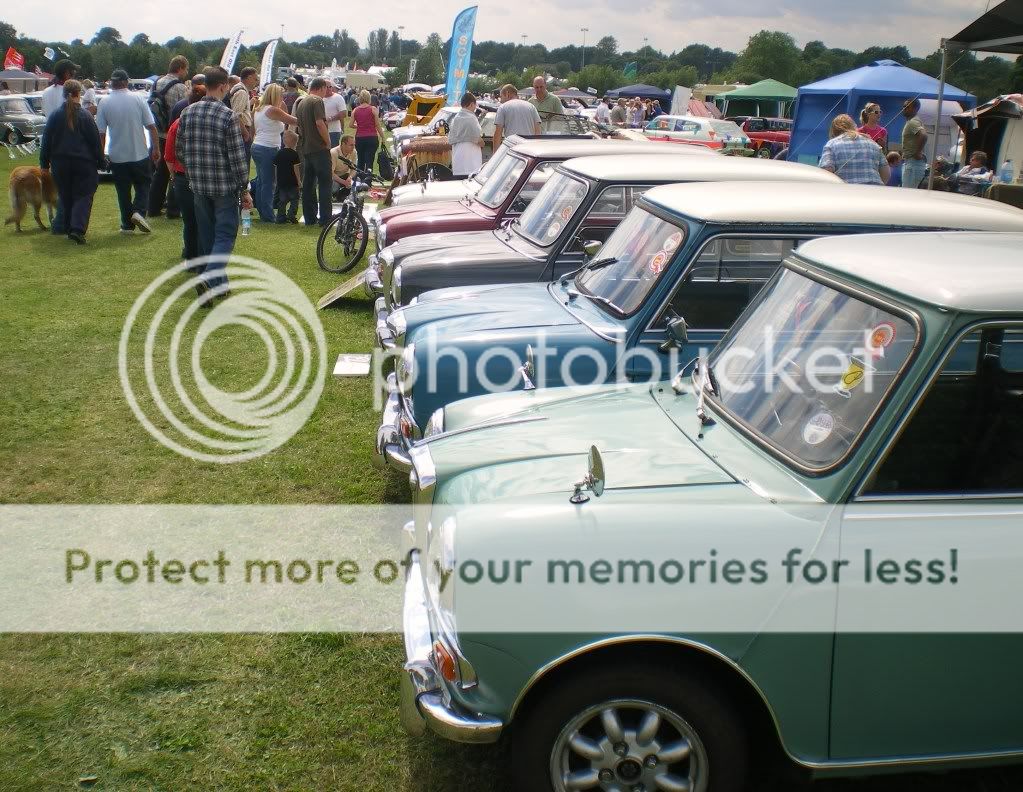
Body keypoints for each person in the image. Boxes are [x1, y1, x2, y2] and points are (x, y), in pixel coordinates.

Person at [176, 66, 252, 297]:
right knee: (225, 234)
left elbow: (180, 150)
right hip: (223, 187)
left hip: (198, 185)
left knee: (207, 234)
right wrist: (245, 189)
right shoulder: (228, 116)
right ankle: (211, 279)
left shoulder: (187, 113)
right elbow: (237, 158)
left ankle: (218, 285)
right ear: (222, 86)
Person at [38, 80, 102, 245]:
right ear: (78, 94)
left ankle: (65, 226)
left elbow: (46, 141)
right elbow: (95, 142)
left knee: (65, 196)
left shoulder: (54, 116)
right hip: (83, 164)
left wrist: (44, 164)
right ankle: (77, 229)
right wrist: (101, 162)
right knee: (84, 195)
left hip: (60, 164)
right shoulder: (86, 116)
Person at [97, 68, 160, 234]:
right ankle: (139, 211)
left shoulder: (104, 102)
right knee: (144, 185)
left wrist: (100, 155)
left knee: (122, 191)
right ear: (126, 82)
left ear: (112, 82)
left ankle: (127, 225)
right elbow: (151, 127)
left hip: (117, 155)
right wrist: (156, 149)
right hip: (139, 152)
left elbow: (101, 134)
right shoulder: (138, 98)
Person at [164, 83, 207, 264]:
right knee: (204, 219)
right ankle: (202, 255)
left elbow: (169, 156)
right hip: (204, 176)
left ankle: (190, 256)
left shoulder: (178, 123)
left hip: (182, 176)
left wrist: (174, 176)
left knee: (189, 221)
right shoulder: (209, 122)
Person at [148, 55, 191, 219]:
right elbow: (182, 111)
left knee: (158, 173)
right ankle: (173, 208)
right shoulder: (179, 87)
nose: (186, 72)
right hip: (171, 132)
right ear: (180, 68)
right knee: (174, 171)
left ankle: (153, 206)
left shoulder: (156, 82)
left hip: (157, 131)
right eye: (186, 69)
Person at [40, 58, 79, 235]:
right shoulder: (71, 94)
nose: (75, 74)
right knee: (70, 189)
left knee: (62, 187)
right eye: (73, 72)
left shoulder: (46, 92)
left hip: (53, 147)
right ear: (66, 74)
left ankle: (61, 221)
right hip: (69, 144)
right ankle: (61, 223)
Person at [251, 83, 298, 222]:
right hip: (268, 148)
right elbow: (293, 120)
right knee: (268, 183)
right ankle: (267, 215)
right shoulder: (272, 110)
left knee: (261, 181)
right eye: (281, 95)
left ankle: (262, 210)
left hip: (258, 145)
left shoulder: (259, 109)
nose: (282, 98)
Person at [297, 77, 333, 227]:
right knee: (325, 184)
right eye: (327, 88)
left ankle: (310, 217)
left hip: (306, 148)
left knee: (308, 185)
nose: (327, 92)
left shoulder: (301, 102)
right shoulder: (317, 101)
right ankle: (325, 219)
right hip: (319, 148)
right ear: (322, 87)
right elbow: (319, 123)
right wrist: (328, 141)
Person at [819, 114, 889, 186]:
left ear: (833, 131)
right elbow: (886, 172)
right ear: (854, 126)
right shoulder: (873, 143)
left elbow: (826, 172)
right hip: (874, 192)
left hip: (846, 192)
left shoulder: (831, 144)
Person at [492, 84, 541, 149]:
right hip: (529, 149)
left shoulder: (503, 107)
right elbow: (538, 130)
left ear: (507, 94)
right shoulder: (531, 106)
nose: (501, 100)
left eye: (501, 96)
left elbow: (498, 133)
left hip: (512, 149)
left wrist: (495, 154)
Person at [448, 92, 483, 178]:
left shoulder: (455, 119)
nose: (475, 108)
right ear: (471, 104)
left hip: (458, 164)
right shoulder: (471, 118)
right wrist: (483, 144)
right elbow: (478, 139)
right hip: (471, 165)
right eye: (475, 105)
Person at [351, 89, 386, 173]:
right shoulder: (373, 109)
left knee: (360, 160)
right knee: (370, 161)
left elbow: (350, 125)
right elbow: (377, 125)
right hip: (372, 137)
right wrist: (383, 136)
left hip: (359, 138)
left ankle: (359, 179)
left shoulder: (355, 110)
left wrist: (358, 126)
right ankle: (368, 180)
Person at [274, 130, 302, 223]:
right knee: (295, 199)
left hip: (281, 182)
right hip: (293, 182)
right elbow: (296, 169)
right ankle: (291, 214)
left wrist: (276, 179)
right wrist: (299, 180)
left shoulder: (279, 153)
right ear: (294, 143)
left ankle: (280, 217)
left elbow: (275, 167)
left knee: (282, 201)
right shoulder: (294, 154)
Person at [900, 99, 927, 189]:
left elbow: (923, 135)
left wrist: (918, 152)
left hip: (913, 164)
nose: (904, 108)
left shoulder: (913, 122)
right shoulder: (912, 121)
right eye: (904, 106)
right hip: (911, 162)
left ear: (915, 109)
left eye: (907, 107)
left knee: (908, 194)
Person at [228, 67, 258, 152]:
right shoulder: (242, 92)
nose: (256, 82)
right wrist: (245, 133)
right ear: (249, 78)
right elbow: (236, 115)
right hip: (241, 131)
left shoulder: (239, 88)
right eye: (256, 79)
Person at [329, 134, 357, 201]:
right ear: (343, 144)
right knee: (334, 188)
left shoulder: (354, 152)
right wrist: (344, 182)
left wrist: (349, 178)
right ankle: (334, 196)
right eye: (351, 145)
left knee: (357, 182)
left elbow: (354, 169)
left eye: (354, 145)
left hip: (345, 176)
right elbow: (330, 173)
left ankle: (342, 197)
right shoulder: (333, 153)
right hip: (333, 177)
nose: (353, 147)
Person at [323, 82, 348, 147]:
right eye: (326, 87)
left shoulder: (338, 98)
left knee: (332, 153)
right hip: (320, 130)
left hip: (333, 131)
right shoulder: (319, 98)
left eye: (330, 87)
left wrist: (330, 119)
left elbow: (343, 113)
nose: (328, 89)